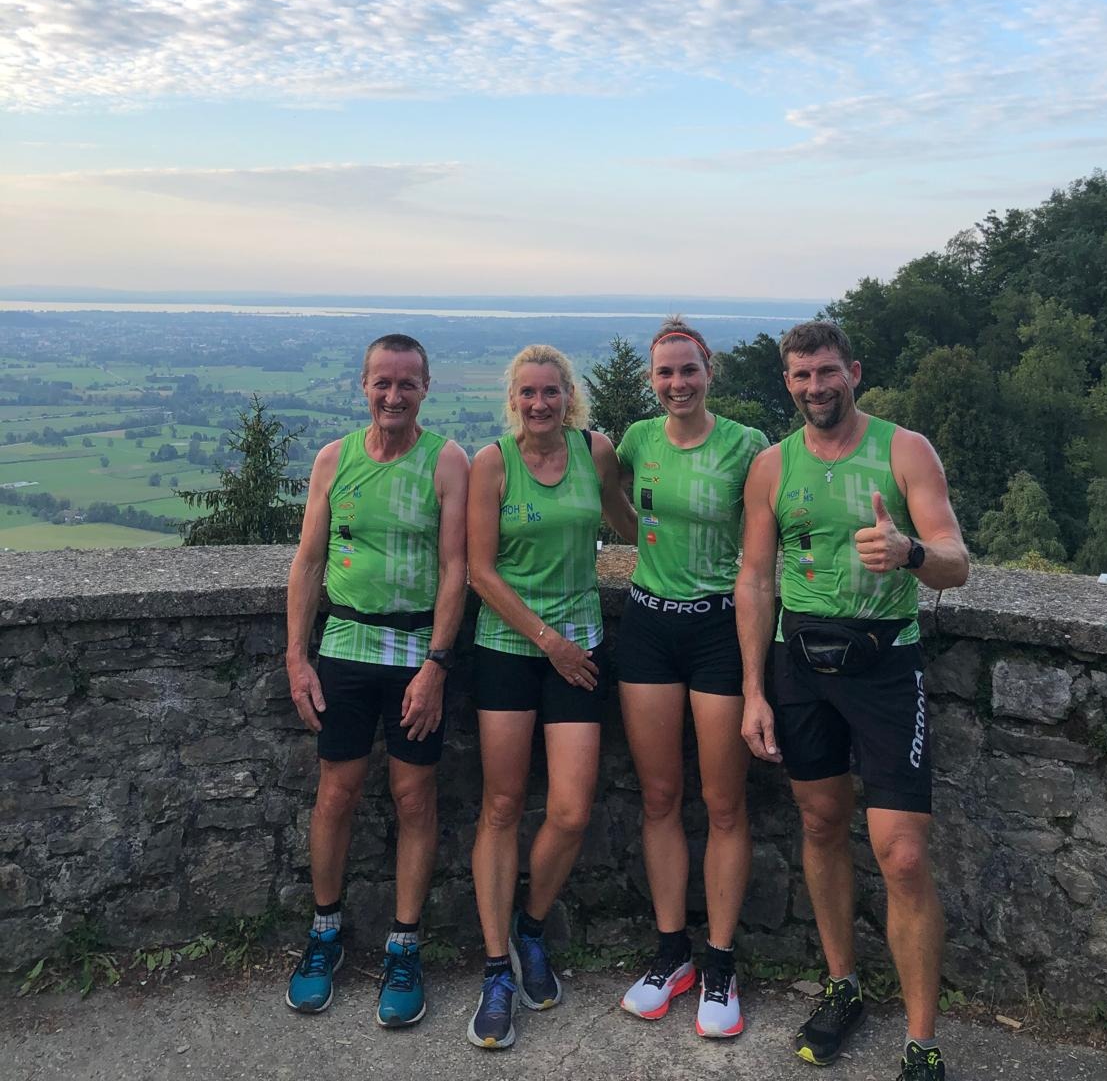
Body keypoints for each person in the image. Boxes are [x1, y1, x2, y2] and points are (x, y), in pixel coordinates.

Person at [736, 320, 969, 1081]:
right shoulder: (772, 466)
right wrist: (752, 691)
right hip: (798, 663)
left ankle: (922, 1042)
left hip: (884, 663)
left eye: (827, 372)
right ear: (787, 382)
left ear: (855, 372)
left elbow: (956, 563)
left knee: (902, 854)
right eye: (802, 375)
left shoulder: (905, 450)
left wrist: (908, 551)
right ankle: (843, 986)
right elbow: (755, 579)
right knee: (819, 822)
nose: (816, 387)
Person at [284, 333, 469, 1028]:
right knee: (336, 793)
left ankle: (405, 944)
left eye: (406, 383)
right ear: (363, 385)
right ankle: (324, 932)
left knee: (415, 797)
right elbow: (308, 561)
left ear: (426, 388)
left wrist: (437, 666)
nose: (394, 395)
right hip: (345, 645)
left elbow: (456, 568)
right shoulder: (334, 459)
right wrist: (296, 658)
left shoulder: (446, 461)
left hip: (417, 650)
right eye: (382, 383)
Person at [465, 345, 637, 1050]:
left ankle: (530, 928)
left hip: (580, 648)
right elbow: (479, 571)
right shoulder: (491, 463)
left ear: (570, 396)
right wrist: (548, 642)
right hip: (510, 649)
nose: (540, 404)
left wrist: (700, 542)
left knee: (570, 810)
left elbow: (629, 525)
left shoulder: (595, 452)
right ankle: (496, 970)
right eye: (528, 393)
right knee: (502, 805)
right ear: (514, 399)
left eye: (551, 392)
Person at [615, 316, 769, 1039]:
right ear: (652, 380)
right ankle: (671, 953)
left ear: (710, 372)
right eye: (665, 372)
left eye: (688, 370)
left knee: (724, 802)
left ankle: (720, 963)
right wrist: (639, 539)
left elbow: (762, 550)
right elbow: (610, 497)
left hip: (717, 629)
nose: (677, 383)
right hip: (647, 623)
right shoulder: (638, 440)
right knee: (659, 797)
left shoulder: (747, 445)